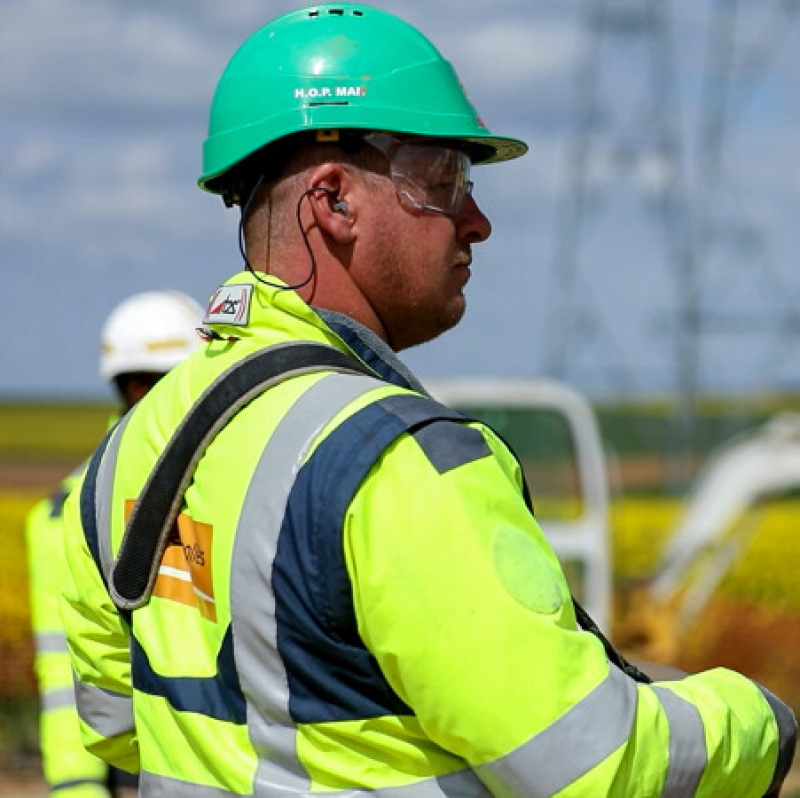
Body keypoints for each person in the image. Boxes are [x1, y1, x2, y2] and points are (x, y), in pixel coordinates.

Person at [60, 5, 796, 796]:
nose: (476, 221)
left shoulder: (129, 451)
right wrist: (756, 720)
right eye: (444, 180)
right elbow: (600, 765)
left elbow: (115, 723)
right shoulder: (396, 462)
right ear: (333, 200)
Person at [26, 290, 202, 797]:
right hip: (131, 770)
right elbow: (65, 671)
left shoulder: (235, 480)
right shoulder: (69, 512)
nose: (151, 397)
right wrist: (78, 786)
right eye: (140, 384)